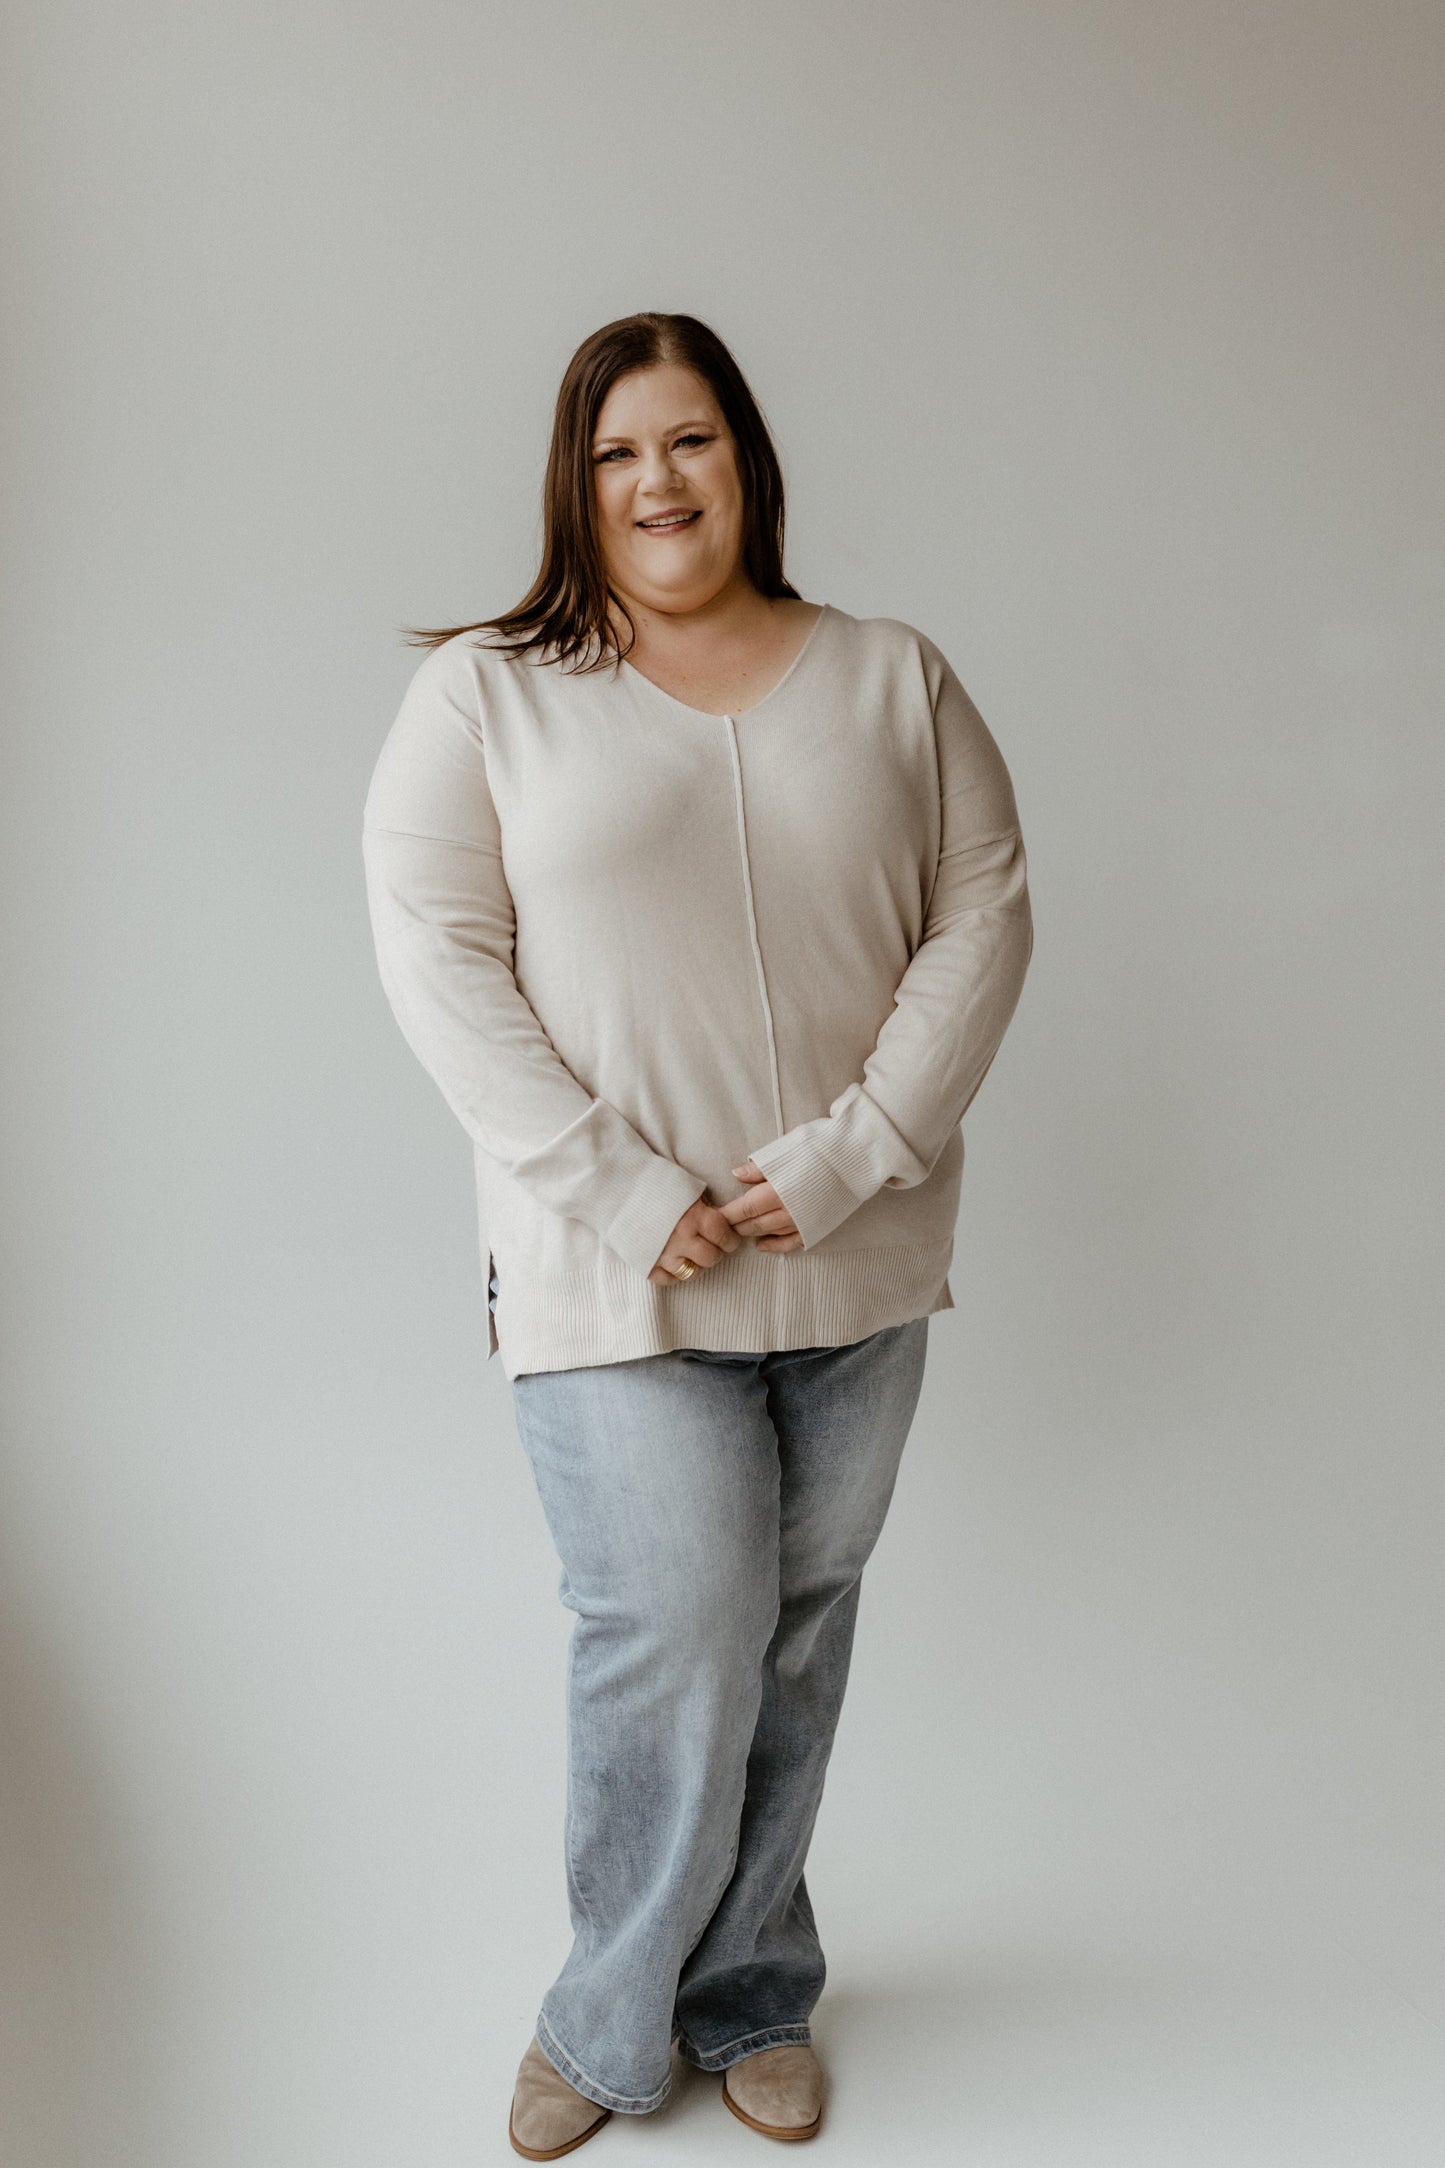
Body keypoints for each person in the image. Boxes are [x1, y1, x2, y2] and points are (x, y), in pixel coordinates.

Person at [361, 311, 1034, 2156]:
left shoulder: (891, 674)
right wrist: (623, 1185)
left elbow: (979, 921)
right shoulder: (488, 693)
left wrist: (851, 1154)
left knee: (796, 1629)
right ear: (577, 486)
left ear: (746, 455)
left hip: (853, 1253)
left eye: (692, 441)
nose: (660, 482)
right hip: (605, 1266)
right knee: (675, 1620)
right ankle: (601, 2026)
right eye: (617, 454)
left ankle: (748, 1992)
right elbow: (437, 967)